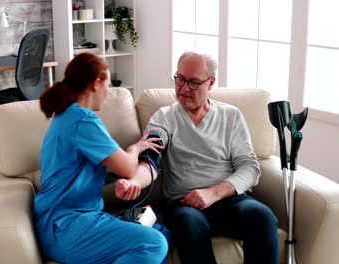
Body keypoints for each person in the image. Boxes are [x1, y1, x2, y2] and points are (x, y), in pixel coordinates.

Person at [115, 51, 279, 264]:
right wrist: (134, 182)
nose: (183, 88)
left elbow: (250, 168)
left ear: (211, 83)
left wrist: (213, 193)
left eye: (193, 82)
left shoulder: (231, 116)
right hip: (184, 204)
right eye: (180, 79)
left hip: (230, 201)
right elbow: (151, 160)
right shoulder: (164, 118)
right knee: (188, 223)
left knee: (262, 217)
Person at [33, 52, 168, 264]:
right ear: (97, 83)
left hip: (70, 223)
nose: (108, 93)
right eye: (108, 85)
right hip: (65, 227)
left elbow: (81, 172)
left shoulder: (66, 115)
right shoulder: (82, 120)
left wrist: (117, 180)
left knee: (160, 230)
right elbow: (128, 168)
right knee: (154, 243)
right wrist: (136, 148)